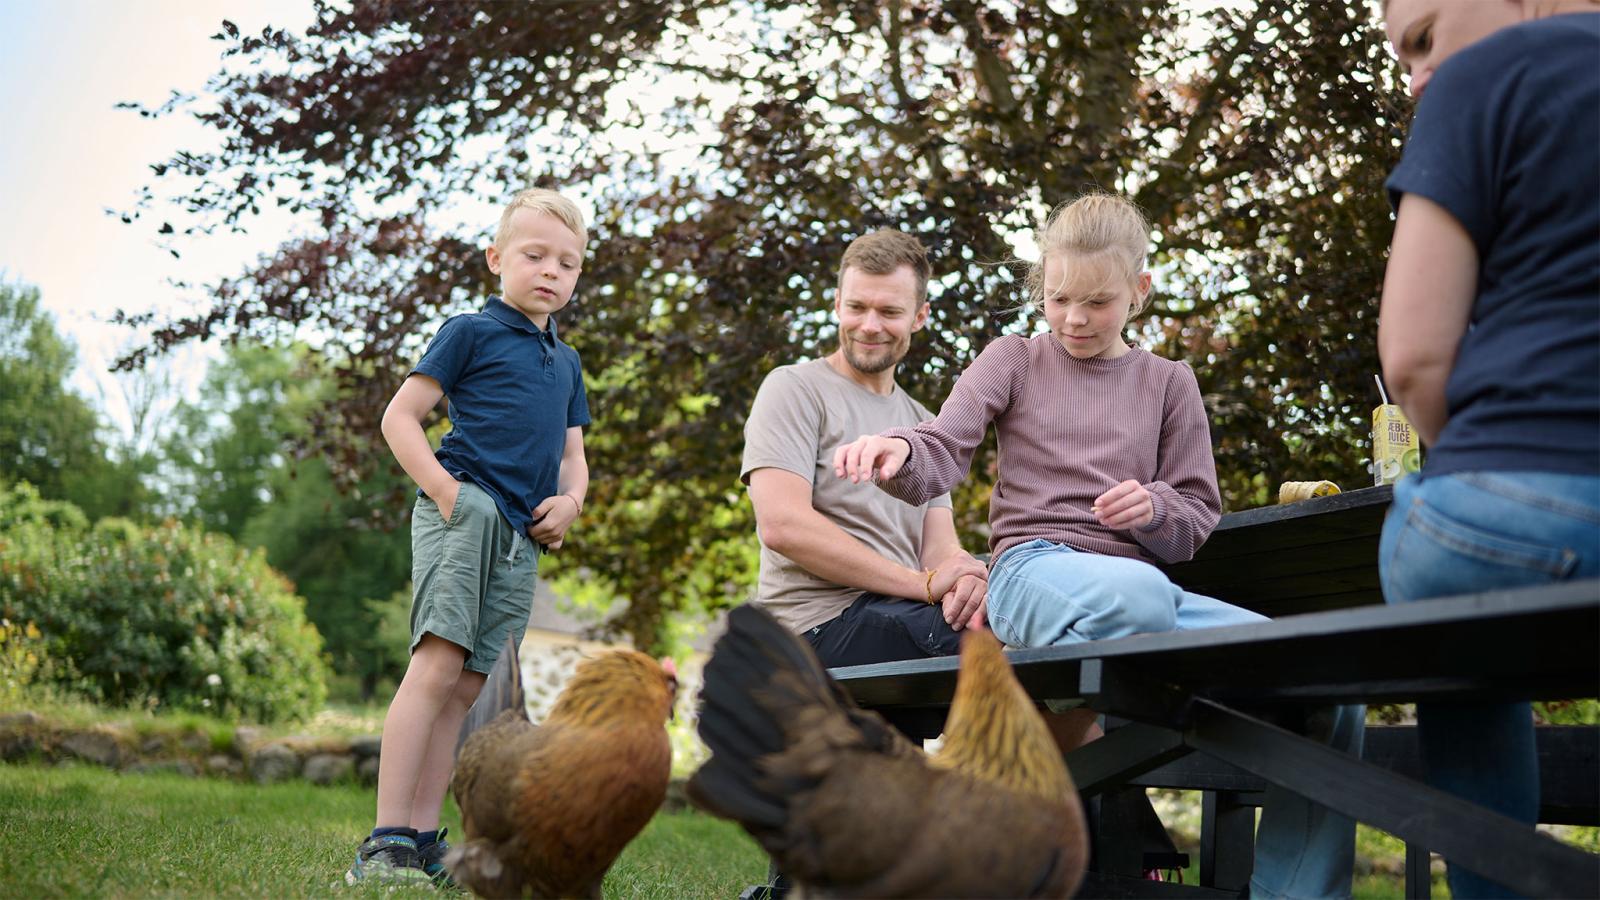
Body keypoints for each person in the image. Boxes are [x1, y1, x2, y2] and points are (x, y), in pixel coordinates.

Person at [835, 193, 1365, 900]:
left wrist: (1153, 509)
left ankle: (1293, 894)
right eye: (1058, 299)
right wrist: (893, 451)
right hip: (1031, 572)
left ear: (1139, 292)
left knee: (1331, 685)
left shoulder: (1169, 383)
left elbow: (1196, 517)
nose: (1074, 319)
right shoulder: (1013, 360)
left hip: (1142, 596)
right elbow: (942, 446)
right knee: (1139, 597)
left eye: (1097, 301)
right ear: (1040, 288)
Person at [1377, 2, 1600, 896]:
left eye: (1426, 36)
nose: (1418, 75)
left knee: (1452, 620)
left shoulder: (1491, 76)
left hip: (1513, 508)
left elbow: (1415, 358)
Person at [348, 187, 593, 885]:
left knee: (468, 689)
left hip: (522, 536)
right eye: (534, 254)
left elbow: (574, 458)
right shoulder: (469, 332)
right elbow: (402, 417)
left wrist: (571, 502)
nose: (551, 271)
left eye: (567, 263)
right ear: (495, 258)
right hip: (466, 513)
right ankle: (385, 840)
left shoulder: (567, 363)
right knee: (434, 667)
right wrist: (449, 493)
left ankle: (425, 843)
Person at [742, 229, 988, 683]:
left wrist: (966, 578)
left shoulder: (923, 425)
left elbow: (939, 547)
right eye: (857, 307)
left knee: (1039, 630)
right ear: (837, 304)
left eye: (890, 311)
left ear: (919, 317)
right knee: (997, 649)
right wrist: (922, 585)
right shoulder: (794, 389)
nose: (870, 325)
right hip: (812, 630)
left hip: (900, 618)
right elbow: (782, 526)